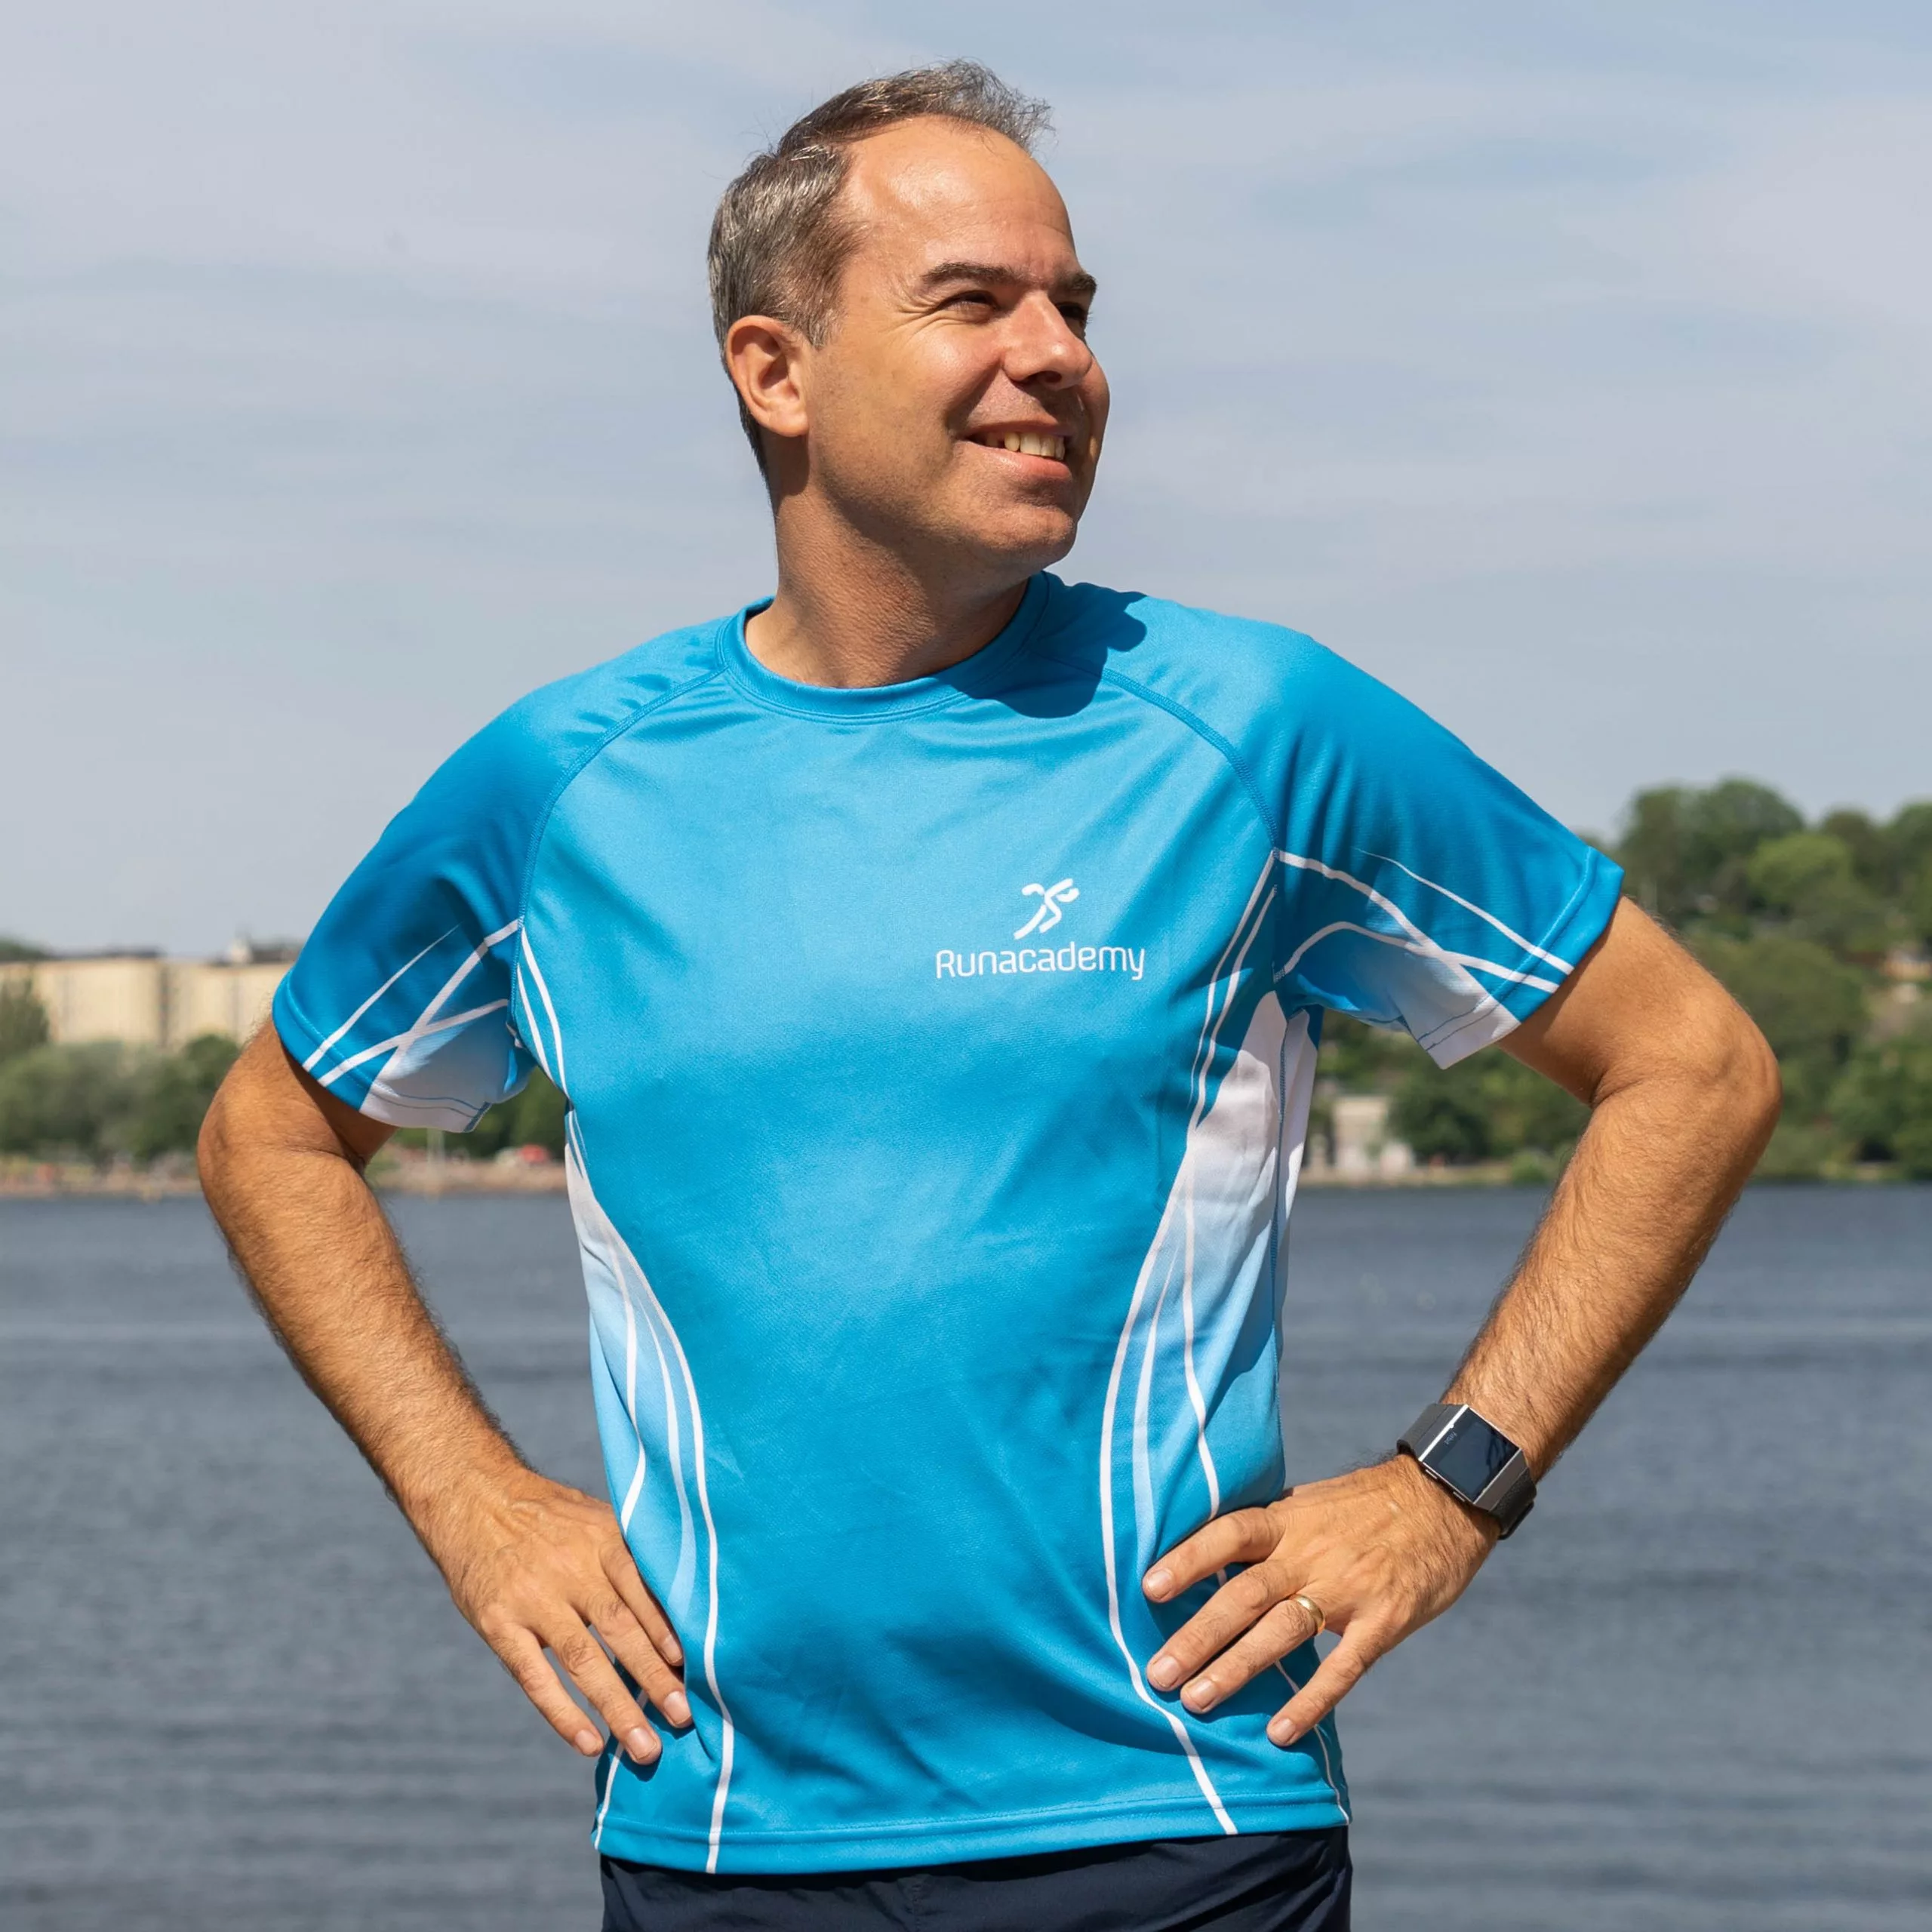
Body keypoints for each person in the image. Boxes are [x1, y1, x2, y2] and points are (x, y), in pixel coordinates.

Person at [198, 61, 1780, 1932]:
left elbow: (1689, 1063)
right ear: (774, 370)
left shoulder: (1253, 730)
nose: (1058, 357)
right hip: (718, 1831)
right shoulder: (562, 787)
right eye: (973, 301)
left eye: (1074, 307)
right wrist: (473, 1500)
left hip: (1176, 1816)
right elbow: (271, 1133)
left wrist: (1450, 1487)